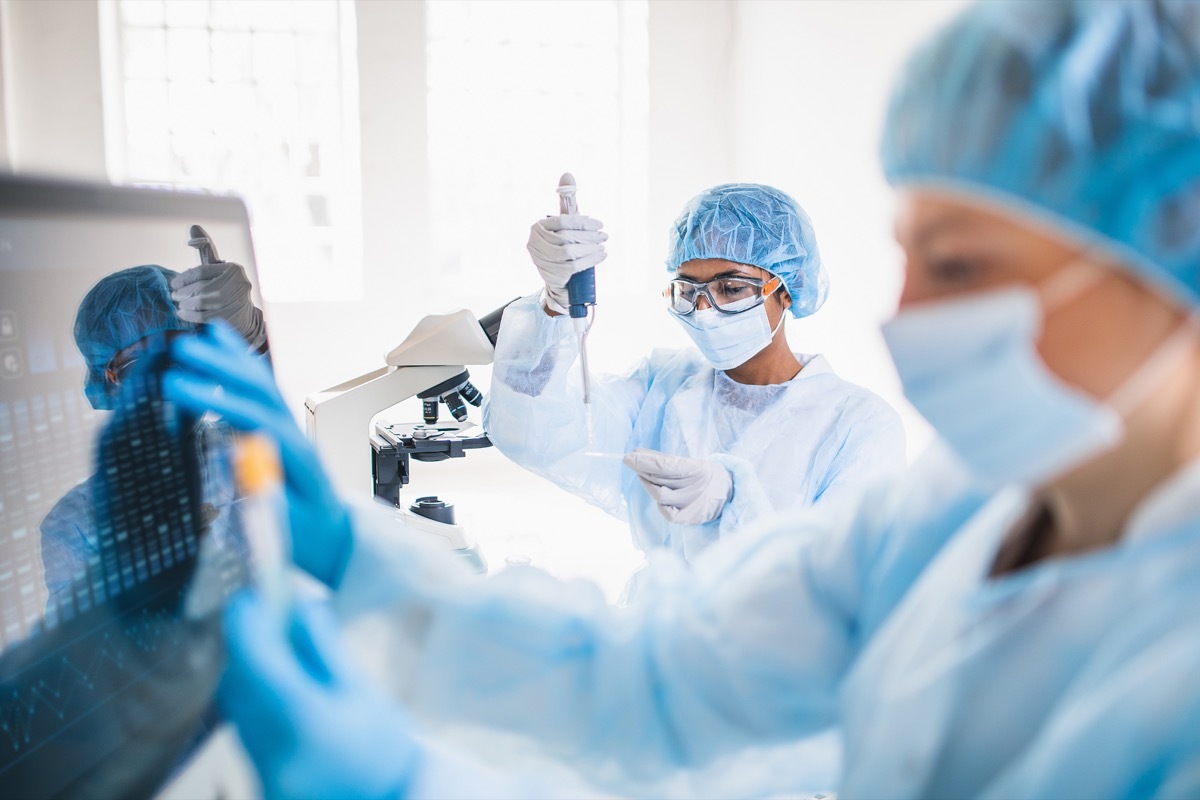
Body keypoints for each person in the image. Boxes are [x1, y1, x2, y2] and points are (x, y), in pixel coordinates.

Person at [166, 0, 1200, 797]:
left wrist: (408, 782)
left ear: (1163, 254)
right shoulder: (953, 511)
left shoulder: (1172, 670)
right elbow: (660, 671)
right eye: (908, 259)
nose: (906, 313)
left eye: (960, 266)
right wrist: (355, 557)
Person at [486, 183, 905, 561]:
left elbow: (844, 578)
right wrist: (556, 306)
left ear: (788, 289)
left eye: (731, 287)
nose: (703, 310)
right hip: (658, 618)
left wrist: (735, 503)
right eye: (688, 289)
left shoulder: (859, 425)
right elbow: (532, 431)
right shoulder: (662, 385)